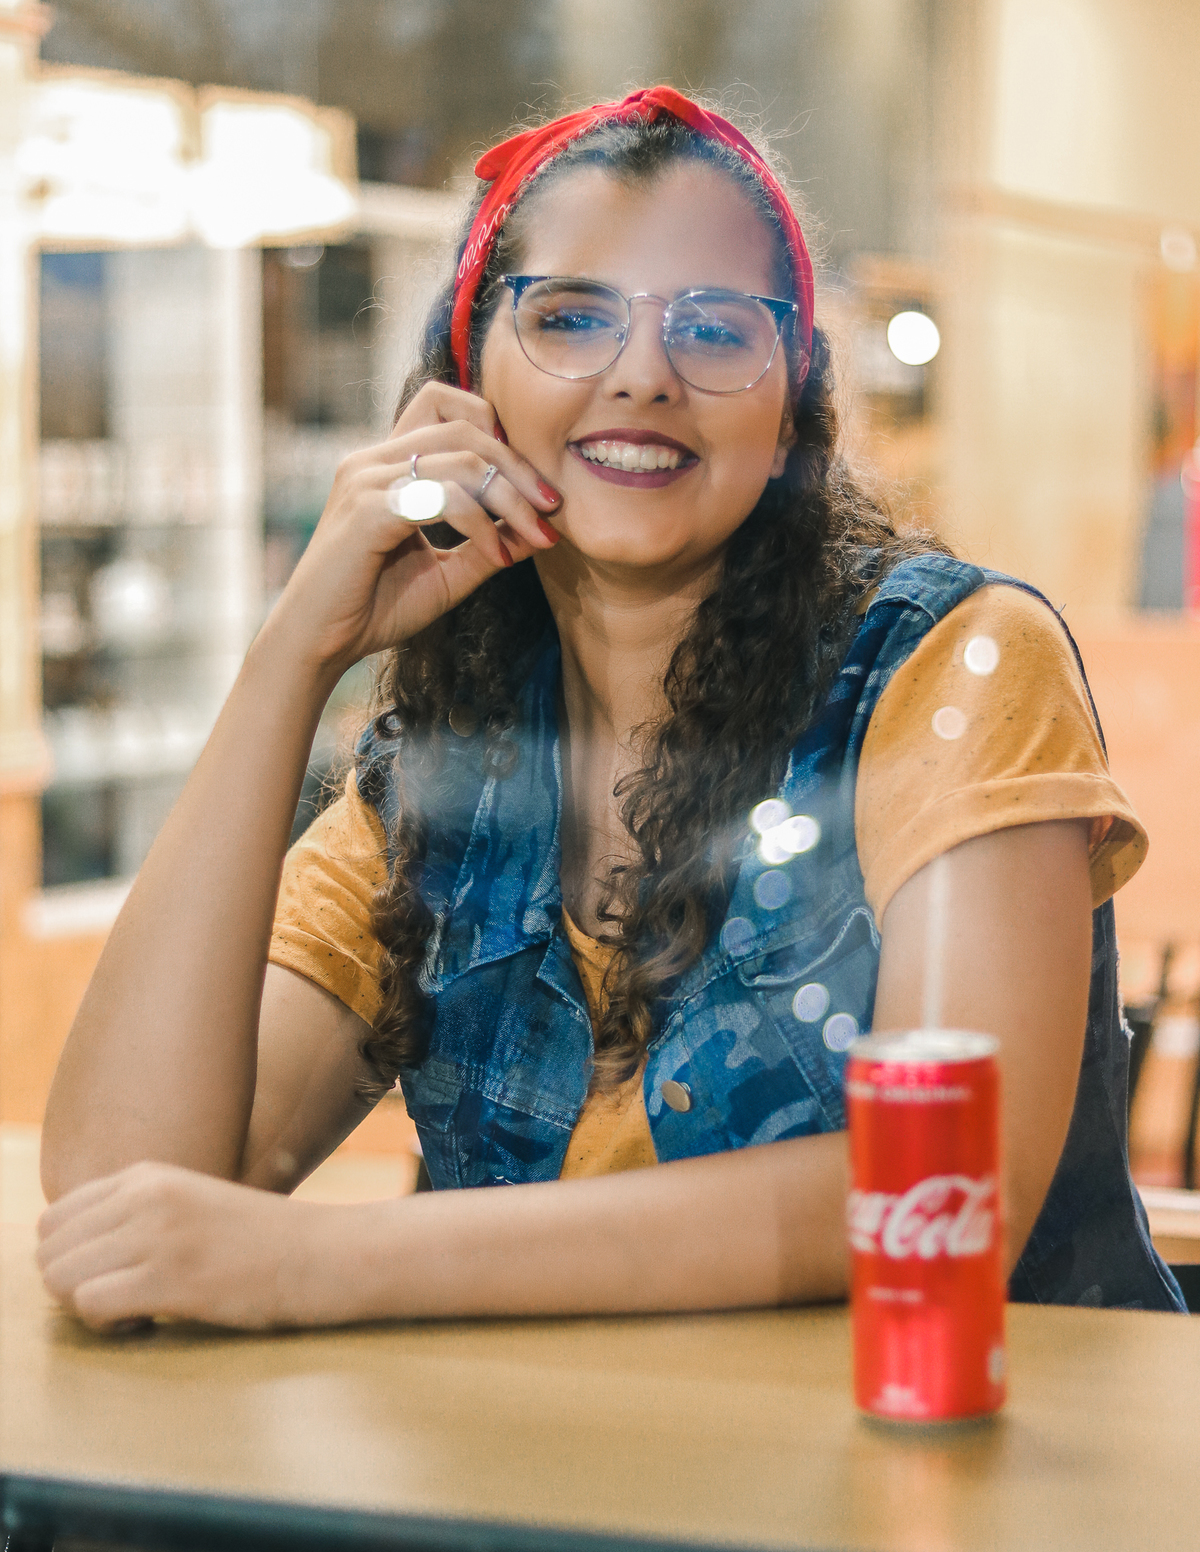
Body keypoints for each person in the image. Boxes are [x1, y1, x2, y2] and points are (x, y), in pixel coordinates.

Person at [37, 88, 1184, 1328]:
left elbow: (944, 1180)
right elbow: (120, 1197)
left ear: (792, 394)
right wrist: (289, 660)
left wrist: (317, 1262)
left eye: (711, 326)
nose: (642, 375)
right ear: (470, 380)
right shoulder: (450, 766)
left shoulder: (952, 667)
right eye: (572, 316)